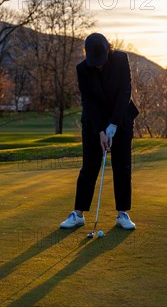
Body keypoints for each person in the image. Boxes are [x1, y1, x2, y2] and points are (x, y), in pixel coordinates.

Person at [60, 33, 139, 230]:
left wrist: (113, 124)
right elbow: (89, 102)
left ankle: (122, 214)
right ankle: (78, 214)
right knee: (89, 166)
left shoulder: (121, 59)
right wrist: (101, 131)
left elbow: (125, 92)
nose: (98, 65)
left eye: (101, 60)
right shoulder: (82, 69)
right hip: (93, 123)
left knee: (122, 166)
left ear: (108, 51)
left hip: (121, 117)